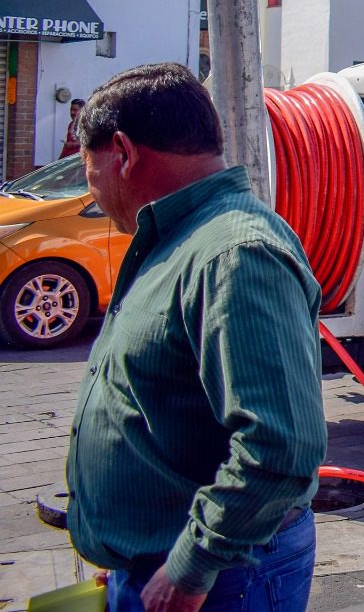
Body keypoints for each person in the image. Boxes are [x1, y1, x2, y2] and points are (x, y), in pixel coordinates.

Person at [66, 63, 325, 611]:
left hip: (216, 580)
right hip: (162, 567)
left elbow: (281, 445)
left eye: (90, 174)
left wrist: (190, 567)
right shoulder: (181, 239)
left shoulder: (235, 255)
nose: (95, 195)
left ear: (123, 153)